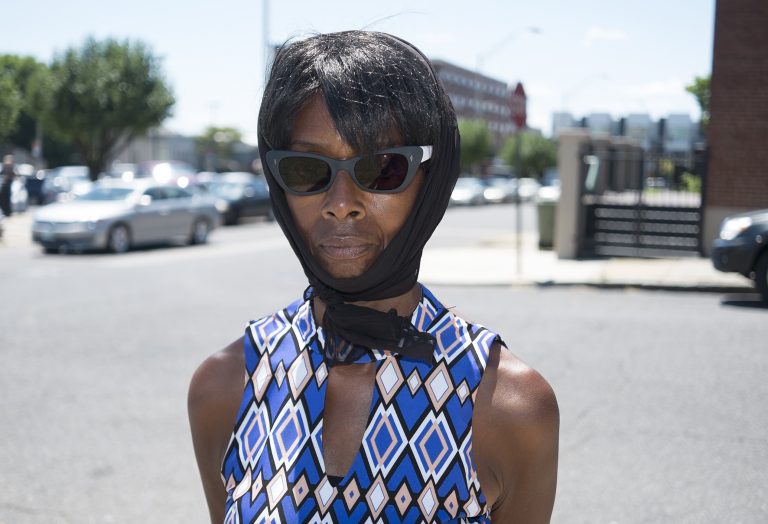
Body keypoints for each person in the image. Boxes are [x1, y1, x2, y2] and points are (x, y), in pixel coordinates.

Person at [188, 31, 558, 523]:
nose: (341, 204)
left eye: (382, 168)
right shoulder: (225, 386)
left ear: (433, 177)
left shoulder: (510, 406)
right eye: (305, 168)